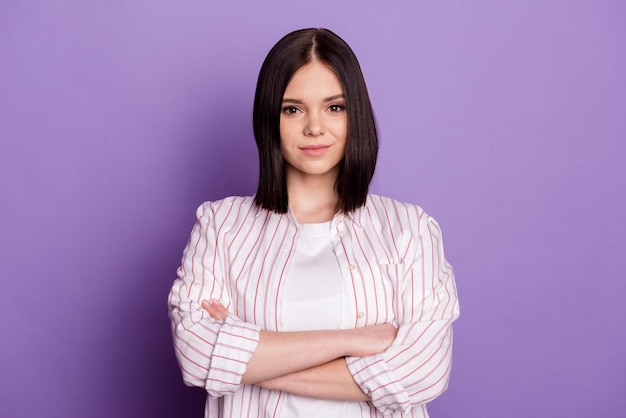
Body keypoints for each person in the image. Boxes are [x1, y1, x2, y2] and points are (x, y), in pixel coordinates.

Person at [168, 28, 459, 418]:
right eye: (293, 108)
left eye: (334, 107)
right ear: (270, 117)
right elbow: (196, 353)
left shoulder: (409, 230)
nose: (314, 128)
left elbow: (424, 372)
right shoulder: (221, 225)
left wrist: (252, 363)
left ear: (356, 113)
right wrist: (350, 341)